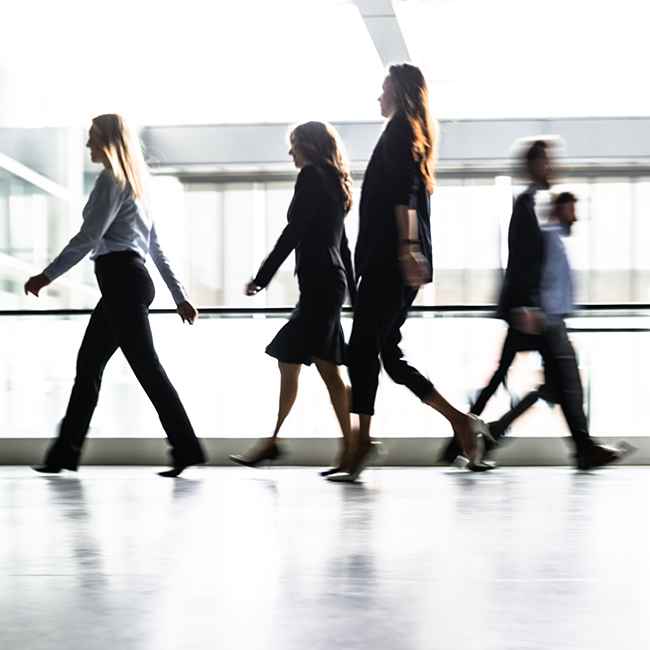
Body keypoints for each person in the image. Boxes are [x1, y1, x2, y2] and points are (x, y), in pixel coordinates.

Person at [328, 63, 493, 483]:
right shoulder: (412, 132)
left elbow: (404, 197)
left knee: (362, 350)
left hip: (391, 261)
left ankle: (361, 444)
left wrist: (407, 249)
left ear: (399, 94)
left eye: (383, 90)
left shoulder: (401, 130)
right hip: (393, 262)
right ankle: (461, 422)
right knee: (389, 357)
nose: (378, 97)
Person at [25, 113, 206, 478]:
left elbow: (89, 237)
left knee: (145, 367)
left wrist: (47, 275)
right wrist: (178, 296)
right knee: (89, 366)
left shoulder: (112, 179)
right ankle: (64, 453)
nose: (87, 143)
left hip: (121, 280)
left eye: (92, 136)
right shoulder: (138, 187)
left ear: (108, 140)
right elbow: (156, 250)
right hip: (126, 281)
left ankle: (187, 448)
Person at [486, 140, 627, 470]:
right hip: (535, 314)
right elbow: (522, 258)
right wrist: (529, 305)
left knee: (556, 383)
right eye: (548, 161)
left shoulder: (535, 203)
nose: (554, 166)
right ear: (535, 165)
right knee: (563, 379)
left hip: (540, 313)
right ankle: (583, 449)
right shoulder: (527, 203)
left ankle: (482, 436)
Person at [229, 121, 355, 474]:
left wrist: (262, 277)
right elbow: (343, 247)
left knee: (327, 367)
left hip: (320, 287)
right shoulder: (335, 182)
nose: (291, 151)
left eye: (295, 143)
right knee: (289, 360)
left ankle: (352, 448)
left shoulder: (313, 176)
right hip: (325, 285)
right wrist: (354, 296)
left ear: (312, 145)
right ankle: (275, 439)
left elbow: (294, 231)